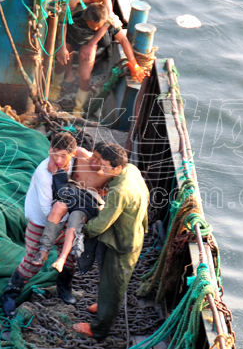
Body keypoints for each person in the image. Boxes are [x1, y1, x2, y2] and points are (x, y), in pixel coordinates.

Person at [71, 142, 150, 340]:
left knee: (113, 285)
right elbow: (145, 197)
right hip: (134, 230)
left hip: (122, 245)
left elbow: (101, 225)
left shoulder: (119, 191)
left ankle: (99, 329)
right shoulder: (131, 170)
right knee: (108, 279)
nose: (101, 170)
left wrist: (81, 231)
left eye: (105, 167)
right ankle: (104, 305)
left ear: (117, 168)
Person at [0, 132, 80, 316]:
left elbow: (84, 153)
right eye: (54, 154)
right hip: (42, 221)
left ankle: (64, 288)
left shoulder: (78, 161)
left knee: (70, 256)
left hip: (67, 219)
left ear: (72, 154)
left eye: (63, 155)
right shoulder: (43, 173)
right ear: (49, 150)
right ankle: (10, 293)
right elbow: (46, 209)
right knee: (34, 260)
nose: (58, 160)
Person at [32, 143, 111, 273]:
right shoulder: (81, 154)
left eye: (99, 160)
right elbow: (58, 146)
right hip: (70, 196)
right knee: (58, 206)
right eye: (94, 156)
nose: (93, 161)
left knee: (75, 218)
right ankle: (43, 250)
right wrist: (52, 160)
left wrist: (102, 194)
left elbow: (109, 190)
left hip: (85, 205)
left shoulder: (107, 175)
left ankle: (62, 259)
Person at [56, 3, 145, 117]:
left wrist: (134, 65)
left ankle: (79, 108)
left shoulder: (108, 22)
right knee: (60, 63)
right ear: (86, 18)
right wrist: (62, 47)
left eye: (99, 27)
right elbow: (62, 25)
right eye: (93, 26)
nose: (96, 29)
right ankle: (56, 87)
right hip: (70, 37)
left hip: (88, 43)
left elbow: (123, 40)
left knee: (85, 77)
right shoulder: (76, 13)